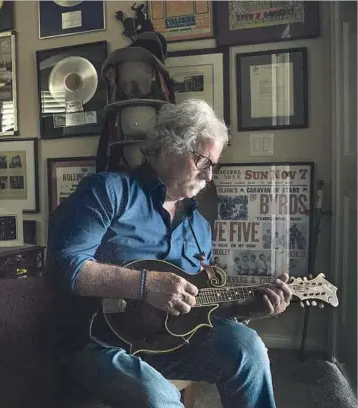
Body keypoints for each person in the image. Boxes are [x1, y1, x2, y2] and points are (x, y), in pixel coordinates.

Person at [46, 100, 293, 408]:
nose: (209, 176)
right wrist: (146, 285)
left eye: (215, 165)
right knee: (160, 397)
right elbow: (63, 266)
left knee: (248, 348)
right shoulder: (107, 191)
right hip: (98, 342)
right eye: (204, 161)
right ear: (170, 147)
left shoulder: (199, 227)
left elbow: (197, 306)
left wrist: (246, 310)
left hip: (171, 343)